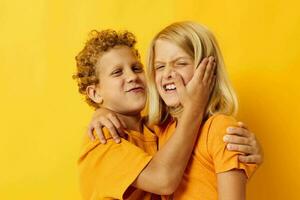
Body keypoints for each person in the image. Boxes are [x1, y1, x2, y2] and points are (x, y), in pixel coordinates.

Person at [75, 29, 216, 200]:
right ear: (95, 93)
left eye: (136, 68)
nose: (132, 76)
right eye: (117, 72)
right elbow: (163, 180)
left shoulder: (158, 128)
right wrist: (194, 107)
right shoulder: (102, 141)